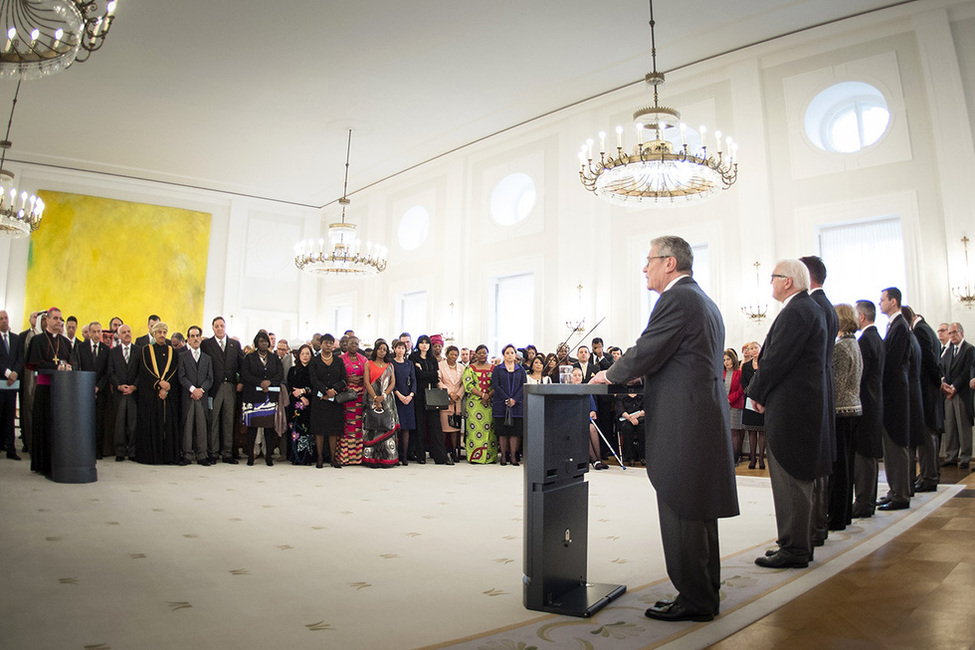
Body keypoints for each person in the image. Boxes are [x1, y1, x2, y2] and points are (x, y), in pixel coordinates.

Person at [592, 236, 738, 622]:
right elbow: (681, 360)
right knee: (698, 509)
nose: (644, 267)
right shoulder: (703, 300)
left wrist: (610, 373)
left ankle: (694, 600)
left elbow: (648, 349)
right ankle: (704, 592)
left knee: (681, 505)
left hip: (684, 421)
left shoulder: (677, 299)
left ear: (669, 263)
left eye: (649, 260)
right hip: (699, 413)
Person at [747, 259, 831, 569]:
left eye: (773, 278)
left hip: (792, 409)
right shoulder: (807, 309)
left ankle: (794, 548)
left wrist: (755, 392)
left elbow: (777, 360)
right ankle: (794, 542)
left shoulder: (797, 311)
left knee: (790, 478)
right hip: (799, 405)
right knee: (791, 478)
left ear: (788, 281)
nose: (770, 283)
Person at [26, 308, 74, 476]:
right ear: (46, 320)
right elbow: (37, 365)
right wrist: (57, 367)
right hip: (45, 389)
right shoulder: (38, 340)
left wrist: (68, 367)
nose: (59, 322)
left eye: (60, 319)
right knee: (43, 426)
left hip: (61, 392)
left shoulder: (66, 342)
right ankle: (42, 463)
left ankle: (58, 461)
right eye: (55, 318)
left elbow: (72, 363)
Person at [827, 304, 862, 531]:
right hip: (854, 409)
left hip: (841, 411)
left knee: (839, 468)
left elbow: (836, 386)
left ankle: (837, 516)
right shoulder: (854, 344)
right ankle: (845, 513)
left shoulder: (841, 348)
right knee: (847, 465)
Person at [878, 287, 912, 510]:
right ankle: (894, 489)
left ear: (894, 301)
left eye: (883, 300)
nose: (880, 303)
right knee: (890, 447)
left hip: (895, 395)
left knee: (896, 445)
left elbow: (892, 362)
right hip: (891, 393)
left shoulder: (900, 326)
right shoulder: (894, 325)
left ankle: (901, 494)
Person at [852, 300, 885, 518]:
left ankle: (864, 502)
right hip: (876, 401)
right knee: (869, 453)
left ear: (861, 317)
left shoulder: (864, 341)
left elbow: (859, 375)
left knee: (863, 454)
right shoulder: (879, 339)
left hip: (865, 402)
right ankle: (868, 500)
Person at [135, 321, 180, 465]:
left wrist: (166, 387)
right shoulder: (146, 350)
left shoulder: (172, 351)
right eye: (159, 332)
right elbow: (145, 370)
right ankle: (152, 456)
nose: (162, 335)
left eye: (164, 332)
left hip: (167, 395)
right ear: (154, 334)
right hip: (151, 395)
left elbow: (174, 370)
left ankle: (167, 456)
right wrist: (159, 384)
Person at [201, 316, 244, 464]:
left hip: (230, 387)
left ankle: (227, 453)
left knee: (228, 420)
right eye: (216, 326)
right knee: (213, 420)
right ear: (212, 328)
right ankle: (212, 452)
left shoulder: (234, 344)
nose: (219, 328)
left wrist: (241, 382)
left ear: (225, 327)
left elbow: (241, 364)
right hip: (214, 387)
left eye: (222, 326)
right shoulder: (206, 344)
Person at [241, 330, 285, 467]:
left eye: (266, 341)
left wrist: (269, 382)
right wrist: (259, 382)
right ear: (256, 343)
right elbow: (245, 375)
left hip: (269, 397)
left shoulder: (274, 358)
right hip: (253, 397)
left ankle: (268, 457)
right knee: (253, 427)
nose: (264, 343)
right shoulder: (249, 358)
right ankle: (250, 457)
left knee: (268, 427)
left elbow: (280, 375)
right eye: (261, 341)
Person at [71, 321, 111, 459]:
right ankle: (84, 449)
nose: (96, 334)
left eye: (98, 332)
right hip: (84, 391)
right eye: (93, 332)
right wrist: (87, 387)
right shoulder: (80, 348)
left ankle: (98, 450)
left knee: (99, 422)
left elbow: (107, 372)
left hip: (100, 391)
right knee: (85, 421)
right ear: (89, 333)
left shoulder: (106, 350)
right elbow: (78, 368)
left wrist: (98, 387)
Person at [409, 334, 450, 464]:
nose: (424, 345)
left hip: (433, 394)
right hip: (419, 394)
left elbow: (436, 376)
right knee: (420, 425)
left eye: (427, 343)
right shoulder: (413, 357)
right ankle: (421, 456)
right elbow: (417, 375)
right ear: (418, 344)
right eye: (422, 342)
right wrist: (428, 374)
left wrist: (425, 374)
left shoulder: (432, 359)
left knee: (435, 425)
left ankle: (440, 457)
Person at [308, 333, 346, 469]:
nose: (328, 345)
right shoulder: (315, 360)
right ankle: (319, 457)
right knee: (319, 429)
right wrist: (324, 390)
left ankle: (333, 458)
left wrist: (333, 391)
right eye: (326, 343)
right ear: (321, 344)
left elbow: (343, 379)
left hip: (334, 399)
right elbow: (313, 379)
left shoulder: (339, 361)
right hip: (319, 399)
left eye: (331, 343)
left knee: (333, 430)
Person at [178, 326, 214, 466]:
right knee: (187, 425)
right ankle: (187, 454)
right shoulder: (183, 356)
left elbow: (210, 378)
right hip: (189, 396)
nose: (195, 338)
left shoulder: (207, 358)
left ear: (200, 338)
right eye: (192, 336)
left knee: (202, 425)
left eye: (197, 336)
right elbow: (181, 376)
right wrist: (193, 389)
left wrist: (201, 390)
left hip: (202, 397)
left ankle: (202, 455)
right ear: (188, 339)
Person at [941, 322, 974, 470]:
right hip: (949, 394)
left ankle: (965, 457)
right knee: (951, 426)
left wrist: (954, 388)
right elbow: (944, 370)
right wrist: (946, 386)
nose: (952, 335)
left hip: (961, 393)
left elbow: (967, 371)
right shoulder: (948, 351)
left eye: (954, 332)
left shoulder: (969, 349)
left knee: (963, 426)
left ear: (961, 333)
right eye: (950, 333)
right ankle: (951, 456)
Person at [362, 339, 399, 468]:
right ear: (375, 350)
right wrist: (375, 398)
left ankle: (387, 459)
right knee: (372, 427)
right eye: (380, 349)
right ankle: (371, 459)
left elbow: (393, 383)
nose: (382, 352)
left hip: (387, 399)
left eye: (384, 349)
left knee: (386, 426)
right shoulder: (368, 364)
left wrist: (383, 396)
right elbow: (366, 382)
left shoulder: (390, 365)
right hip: (371, 398)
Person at [108, 324, 139, 462]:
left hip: (133, 393)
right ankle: (120, 451)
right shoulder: (113, 352)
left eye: (129, 331)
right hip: (119, 393)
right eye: (124, 332)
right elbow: (110, 372)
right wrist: (119, 386)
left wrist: (134, 387)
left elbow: (141, 372)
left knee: (133, 423)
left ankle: (132, 450)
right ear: (119, 336)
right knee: (119, 423)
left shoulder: (139, 351)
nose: (127, 334)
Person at [492, 343, 527, 466]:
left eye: (512, 352)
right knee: (502, 431)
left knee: (515, 431)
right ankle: (503, 456)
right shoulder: (498, 369)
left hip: (516, 405)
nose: (510, 355)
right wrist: (506, 398)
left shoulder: (520, 370)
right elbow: (495, 385)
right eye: (507, 353)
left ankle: (513, 456)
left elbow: (523, 385)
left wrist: (514, 400)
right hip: (501, 403)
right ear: (503, 355)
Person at [463, 344, 498, 464]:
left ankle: (489, 457)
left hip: (490, 403)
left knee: (490, 430)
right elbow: (468, 385)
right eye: (480, 353)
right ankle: (475, 456)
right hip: (474, 404)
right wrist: (482, 395)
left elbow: (497, 384)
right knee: (474, 430)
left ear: (488, 354)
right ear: (476, 355)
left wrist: (489, 395)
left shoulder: (494, 368)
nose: (482, 355)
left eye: (484, 352)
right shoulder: (470, 368)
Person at [570, 367, 608, 470]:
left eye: (579, 375)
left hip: (586, 418)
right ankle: (594, 459)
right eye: (575, 375)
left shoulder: (586, 388)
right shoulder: (567, 389)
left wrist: (592, 412)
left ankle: (599, 459)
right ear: (570, 377)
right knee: (584, 430)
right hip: (573, 420)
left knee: (592, 429)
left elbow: (592, 407)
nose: (577, 377)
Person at [338, 335, 367, 466]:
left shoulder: (364, 359)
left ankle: (358, 457)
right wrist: (348, 380)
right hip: (347, 397)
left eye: (356, 344)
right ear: (346, 345)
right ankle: (345, 457)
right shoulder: (340, 359)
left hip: (360, 398)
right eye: (351, 344)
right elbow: (337, 377)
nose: (353, 346)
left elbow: (368, 377)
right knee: (347, 426)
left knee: (358, 427)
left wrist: (362, 380)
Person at [739, 341, 766, 469]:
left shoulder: (765, 364)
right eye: (751, 349)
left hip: (762, 400)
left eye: (756, 348)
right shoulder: (745, 366)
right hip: (750, 399)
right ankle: (752, 458)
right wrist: (750, 393)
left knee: (762, 431)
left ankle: (761, 458)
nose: (754, 350)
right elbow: (743, 382)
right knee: (751, 431)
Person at [286, 344, 314, 465]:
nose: (305, 356)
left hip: (311, 403)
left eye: (307, 353)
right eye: (302, 353)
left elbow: (315, 386)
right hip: (296, 404)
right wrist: (301, 396)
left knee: (308, 429)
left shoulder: (314, 370)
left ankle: (308, 457)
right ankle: (295, 456)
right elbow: (291, 386)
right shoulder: (293, 370)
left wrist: (304, 391)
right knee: (296, 429)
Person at [0, 310, 22, 460]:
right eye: (1, 319)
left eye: (5, 318)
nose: (4, 321)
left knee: (10, 417)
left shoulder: (15, 338)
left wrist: (15, 373)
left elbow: (20, 358)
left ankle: (11, 450)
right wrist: (8, 373)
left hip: (12, 385)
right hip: (1, 381)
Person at [392, 340, 417, 465]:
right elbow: (391, 382)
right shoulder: (391, 363)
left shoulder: (409, 363)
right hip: (396, 397)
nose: (401, 350)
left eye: (403, 348)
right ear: (394, 349)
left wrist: (411, 395)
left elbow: (413, 380)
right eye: (398, 348)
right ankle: (396, 455)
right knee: (397, 428)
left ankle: (405, 456)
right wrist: (399, 395)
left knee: (406, 428)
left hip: (409, 398)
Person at [439, 345, 465, 462]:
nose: (453, 357)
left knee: (455, 428)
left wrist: (458, 395)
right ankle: (444, 452)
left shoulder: (462, 368)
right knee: (444, 428)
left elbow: (464, 384)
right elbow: (438, 381)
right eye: (451, 354)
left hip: (457, 401)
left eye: (455, 355)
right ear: (446, 354)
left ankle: (455, 451)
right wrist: (449, 393)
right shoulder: (440, 366)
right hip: (445, 399)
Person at [723, 349, 744, 465]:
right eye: (724, 360)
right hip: (723, 405)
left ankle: (735, 458)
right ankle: (726, 458)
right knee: (725, 432)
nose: (726, 362)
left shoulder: (739, 372)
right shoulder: (722, 373)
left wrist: (729, 399)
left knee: (734, 432)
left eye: (728, 359)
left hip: (735, 405)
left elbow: (741, 390)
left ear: (733, 359)